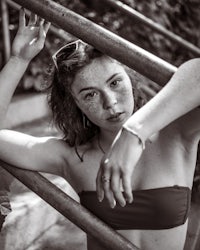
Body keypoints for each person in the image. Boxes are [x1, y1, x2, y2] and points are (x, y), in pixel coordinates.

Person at [0, 8, 199, 250]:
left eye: (115, 82)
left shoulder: (176, 136)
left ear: (130, 77)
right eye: (90, 95)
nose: (111, 102)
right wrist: (18, 60)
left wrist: (134, 133)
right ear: (76, 105)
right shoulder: (71, 157)